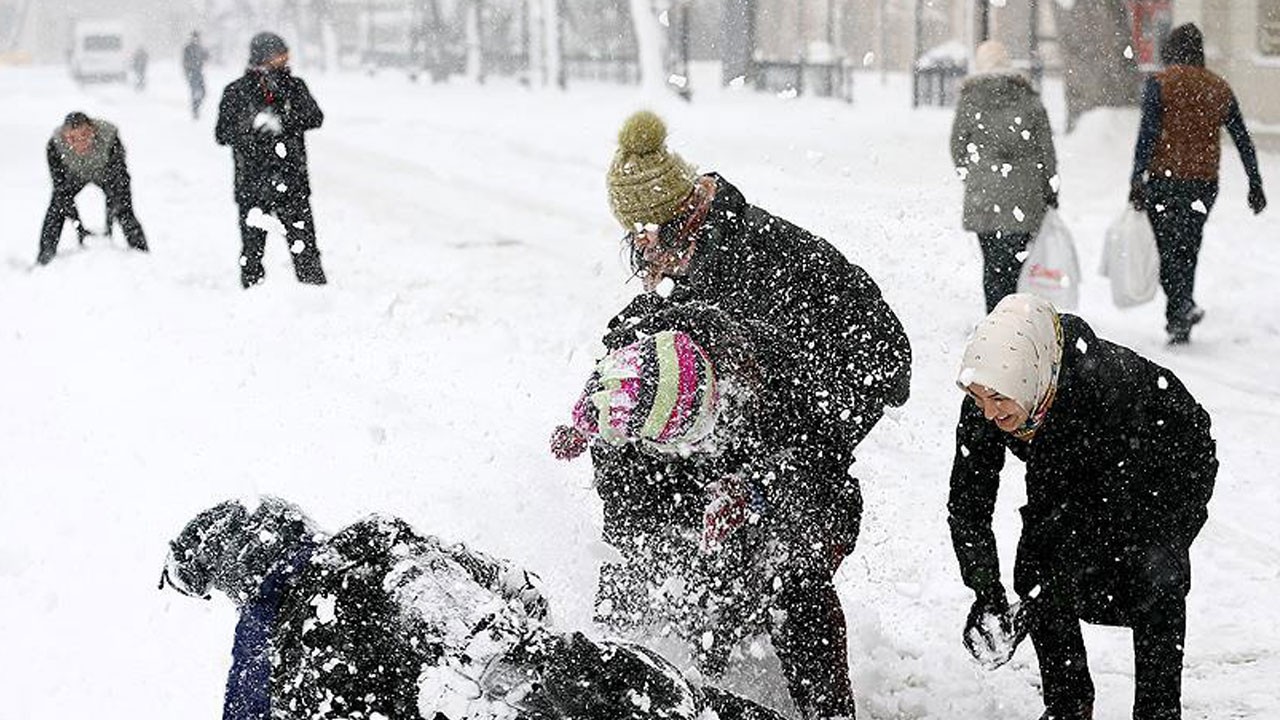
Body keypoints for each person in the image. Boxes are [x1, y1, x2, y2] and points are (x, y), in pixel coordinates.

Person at [576, 110, 912, 720]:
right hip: (735, 439)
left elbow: (887, 364)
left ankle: (827, 710)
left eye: (649, 241)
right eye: (634, 243)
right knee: (646, 529)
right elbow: (637, 376)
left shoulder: (771, 261)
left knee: (788, 572)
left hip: (811, 439)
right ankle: (658, 676)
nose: (645, 260)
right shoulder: (685, 270)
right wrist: (599, 413)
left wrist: (763, 474)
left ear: (685, 219)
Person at [161, 496, 786, 720]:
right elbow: (520, 586)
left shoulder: (274, 653)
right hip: (568, 670)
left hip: (486, 701)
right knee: (681, 703)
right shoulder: (380, 534)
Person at [947, 294, 1217, 720]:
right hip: (1084, 472)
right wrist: (986, 594)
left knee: (1153, 574)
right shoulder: (991, 396)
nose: (990, 413)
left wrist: (1036, 601)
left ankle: (1158, 710)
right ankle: (1068, 704)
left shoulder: (1099, 386)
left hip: (1166, 460)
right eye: (980, 400)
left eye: (999, 400)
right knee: (1036, 569)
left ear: (1028, 379)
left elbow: (1082, 514)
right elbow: (967, 507)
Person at [1129, 23, 1267, 344]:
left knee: (1168, 250)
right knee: (1188, 247)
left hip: (1164, 181)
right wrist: (1254, 182)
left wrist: (1136, 177)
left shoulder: (1160, 84)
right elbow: (1242, 139)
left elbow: (1147, 135)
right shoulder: (1217, 87)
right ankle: (1182, 314)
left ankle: (1180, 309)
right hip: (1203, 184)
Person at [950, 40, 1059, 314]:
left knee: (992, 263)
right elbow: (1046, 149)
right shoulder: (1028, 97)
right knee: (1014, 264)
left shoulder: (971, 98)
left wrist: (974, 174)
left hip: (984, 195)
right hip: (1025, 194)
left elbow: (957, 145)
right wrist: (1050, 186)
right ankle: (1011, 317)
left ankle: (994, 318)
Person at [215, 32, 327, 288]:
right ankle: (254, 303)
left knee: (305, 250)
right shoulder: (236, 91)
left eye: (285, 53)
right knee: (252, 253)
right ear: (262, 56)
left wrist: (282, 123)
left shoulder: (295, 87)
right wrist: (251, 127)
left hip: (292, 182)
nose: (285, 59)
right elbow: (222, 133)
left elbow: (315, 117)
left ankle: (317, 301)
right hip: (252, 185)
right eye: (279, 54)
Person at [37, 112, 149, 265]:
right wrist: (79, 228)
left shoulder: (110, 138)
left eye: (84, 135)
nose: (80, 143)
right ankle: (44, 258)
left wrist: (109, 222)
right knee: (56, 208)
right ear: (64, 137)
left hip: (105, 172)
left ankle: (141, 254)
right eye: (72, 139)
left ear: (93, 130)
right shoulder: (54, 146)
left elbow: (119, 179)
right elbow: (61, 189)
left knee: (124, 208)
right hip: (74, 175)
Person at [182, 31, 210, 119]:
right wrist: (188, 71)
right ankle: (195, 110)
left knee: (203, 92)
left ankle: (196, 108)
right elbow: (185, 62)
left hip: (198, 73)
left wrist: (206, 54)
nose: (196, 39)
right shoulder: (188, 48)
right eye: (195, 37)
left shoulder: (200, 48)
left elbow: (206, 57)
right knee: (195, 92)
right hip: (192, 73)